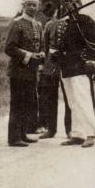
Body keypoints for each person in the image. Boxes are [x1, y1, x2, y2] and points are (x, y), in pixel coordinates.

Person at [54, 0, 95, 148]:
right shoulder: (65, 23)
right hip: (66, 67)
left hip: (80, 66)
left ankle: (92, 134)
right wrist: (57, 54)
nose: (68, 6)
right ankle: (78, 134)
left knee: (82, 100)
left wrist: (91, 61)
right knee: (72, 102)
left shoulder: (84, 20)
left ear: (78, 6)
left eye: (73, 4)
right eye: (66, 4)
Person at [4, 0, 44, 147]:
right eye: (29, 5)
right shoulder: (17, 23)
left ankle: (22, 134)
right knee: (17, 104)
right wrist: (29, 55)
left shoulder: (38, 25)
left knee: (28, 103)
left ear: (38, 7)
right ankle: (14, 138)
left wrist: (41, 54)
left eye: (35, 5)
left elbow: (40, 46)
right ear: (24, 6)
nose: (32, 8)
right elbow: (9, 48)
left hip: (31, 71)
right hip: (18, 71)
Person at [37, 7, 72, 139]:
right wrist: (44, 63)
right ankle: (51, 129)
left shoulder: (72, 24)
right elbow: (45, 46)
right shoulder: (49, 25)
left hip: (67, 63)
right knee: (50, 97)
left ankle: (69, 129)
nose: (63, 10)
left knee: (69, 97)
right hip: (51, 64)